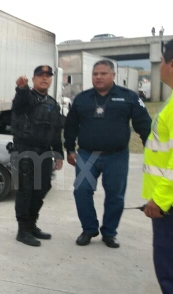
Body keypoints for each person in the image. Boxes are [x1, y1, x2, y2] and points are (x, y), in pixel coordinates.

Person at [64, 59, 152, 248]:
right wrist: (69, 149)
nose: (99, 77)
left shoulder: (128, 97)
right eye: (95, 74)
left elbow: (144, 124)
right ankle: (89, 229)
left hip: (117, 156)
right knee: (81, 191)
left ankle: (109, 233)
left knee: (116, 196)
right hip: (88, 155)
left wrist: (150, 149)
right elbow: (70, 125)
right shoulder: (82, 98)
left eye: (103, 73)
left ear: (113, 75)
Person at [9, 65, 65, 247]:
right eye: (40, 75)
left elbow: (56, 131)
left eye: (48, 76)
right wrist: (21, 89)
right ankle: (22, 230)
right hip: (25, 151)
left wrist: (58, 154)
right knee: (25, 191)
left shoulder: (52, 103)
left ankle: (32, 225)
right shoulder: (26, 98)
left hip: (45, 152)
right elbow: (19, 104)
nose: (44, 78)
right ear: (33, 79)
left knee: (42, 188)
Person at [143, 39, 173, 294]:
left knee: (168, 259)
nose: (160, 67)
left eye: (162, 61)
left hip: (169, 202)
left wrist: (160, 200)